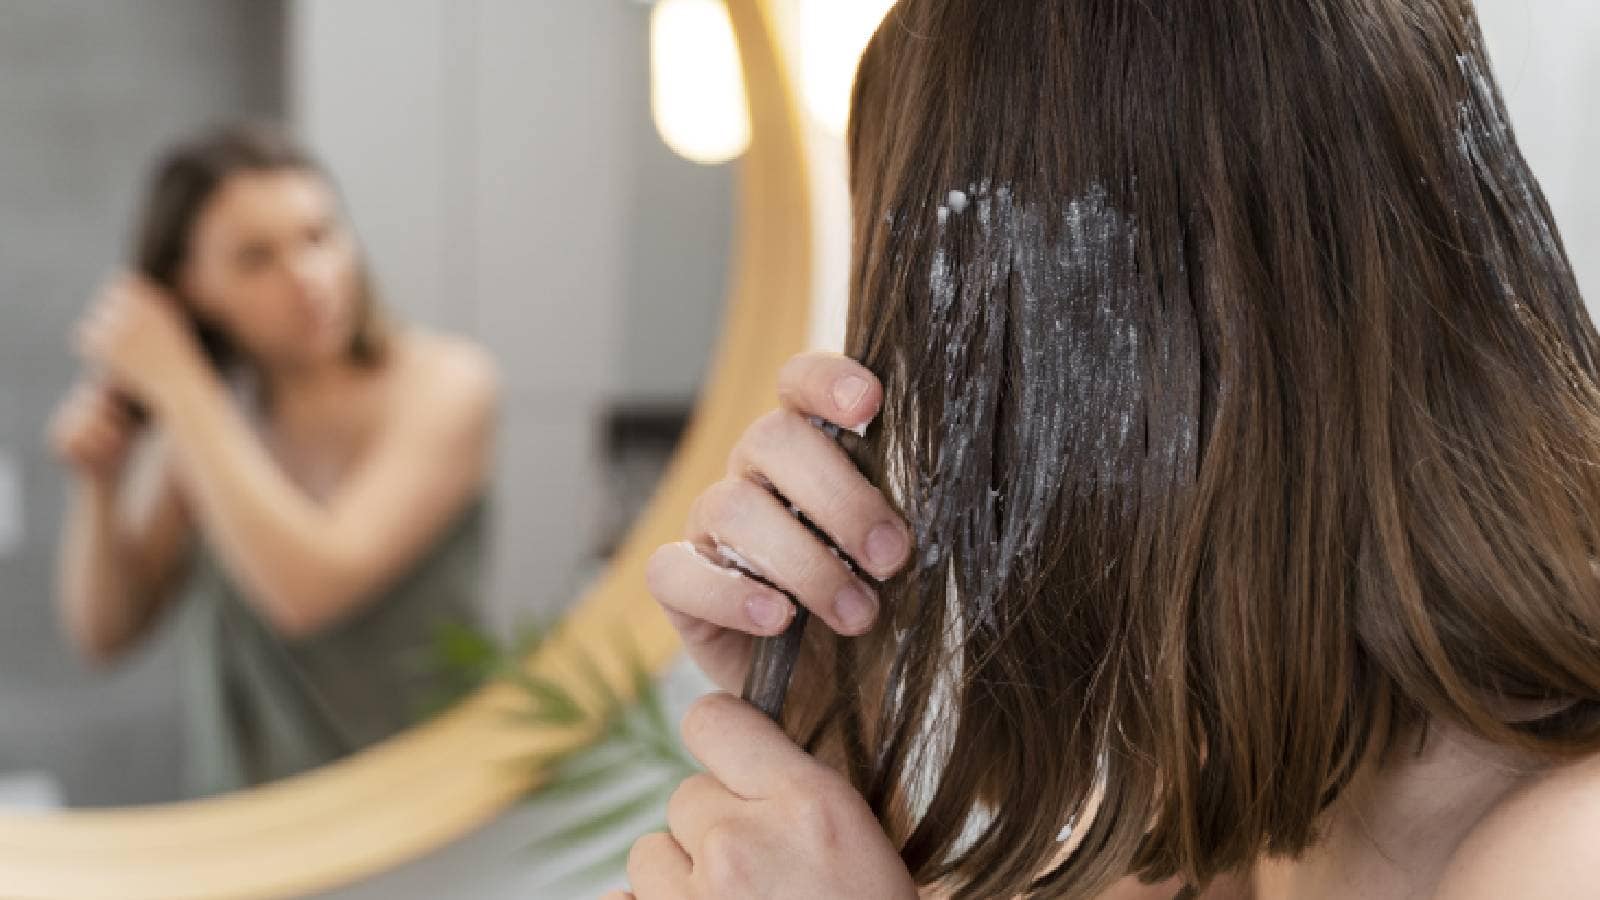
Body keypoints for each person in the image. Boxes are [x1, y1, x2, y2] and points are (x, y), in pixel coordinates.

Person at [618, 0, 1600, 897]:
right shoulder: (1225, 838)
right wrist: (830, 737)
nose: (916, 422)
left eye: (936, 329)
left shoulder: (1566, 854)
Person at [48, 123, 500, 797]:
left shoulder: (446, 382)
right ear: (193, 287)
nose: (309, 278)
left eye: (319, 237)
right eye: (256, 259)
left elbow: (309, 591)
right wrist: (102, 483)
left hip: (430, 809)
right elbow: (105, 633)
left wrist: (176, 381)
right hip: (263, 825)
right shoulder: (205, 425)